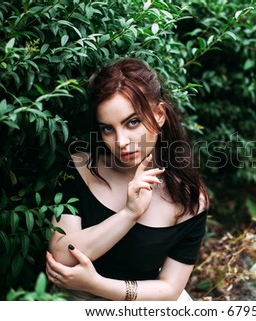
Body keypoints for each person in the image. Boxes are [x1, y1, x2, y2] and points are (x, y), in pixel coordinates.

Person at [45, 57, 209, 301]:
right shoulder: (82, 168)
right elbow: (61, 257)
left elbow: (170, 289)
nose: (121, 142)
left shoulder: (188, 198)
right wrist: (129, 213)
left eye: (133, 122)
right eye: (107, 129)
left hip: (142, 302)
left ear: (160, 115)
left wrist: (98, 284)